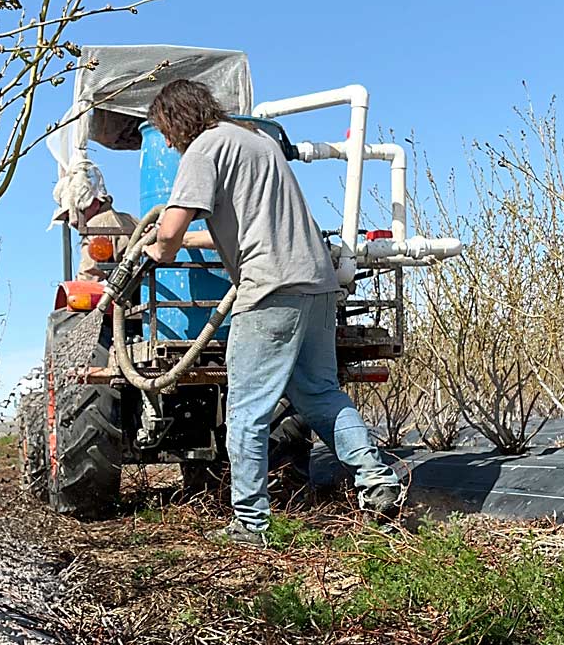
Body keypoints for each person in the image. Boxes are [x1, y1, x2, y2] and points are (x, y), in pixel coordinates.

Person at [142, 79, 403, 547]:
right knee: (321, 394)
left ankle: (249, 526)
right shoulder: (256, 141)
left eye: (165, 129)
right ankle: (378, 481)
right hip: (319, 285)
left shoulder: (202, 149)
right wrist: (178, 239)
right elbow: (240, 226)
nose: (165, 141)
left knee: (246, 412)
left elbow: (171, 232)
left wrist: (154, 247)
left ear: (178, 120)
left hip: (269, 291)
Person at [75, 196, 139, 282]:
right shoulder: (132, 219)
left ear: (95, 204)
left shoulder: (95, 225)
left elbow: (88, 275)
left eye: (74, 213)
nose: (73, 222)